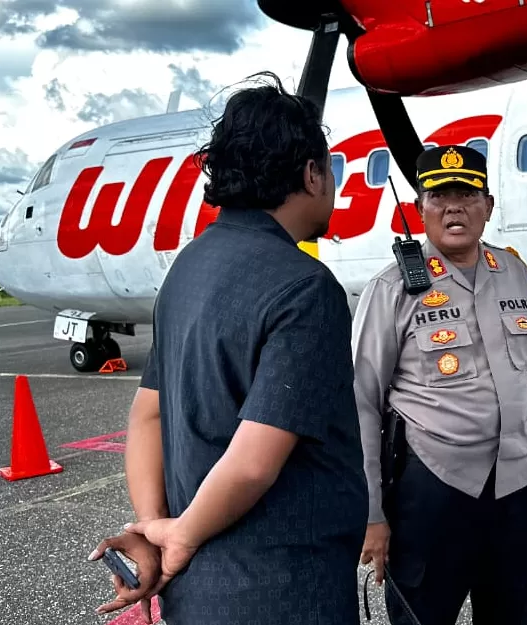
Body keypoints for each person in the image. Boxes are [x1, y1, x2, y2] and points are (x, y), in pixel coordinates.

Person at [88, 72, 367, 625]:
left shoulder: (186, 267)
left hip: (196, 594)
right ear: (311, 174)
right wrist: (181, 537)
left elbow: (147, 415)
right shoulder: (306, 287)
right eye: (329, 169)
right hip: (285, 591)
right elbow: (252, 464)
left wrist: (154, 528)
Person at [351, 144, 527, 625]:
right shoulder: (392, 289)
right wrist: (371, 511)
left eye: (468, 194)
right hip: (433, 487)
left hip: (517, 483)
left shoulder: (514, 273)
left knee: (514, 614)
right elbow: (363, 403)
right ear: (420, 208)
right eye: (439, 195)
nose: (455, 206)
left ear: (488, 206)